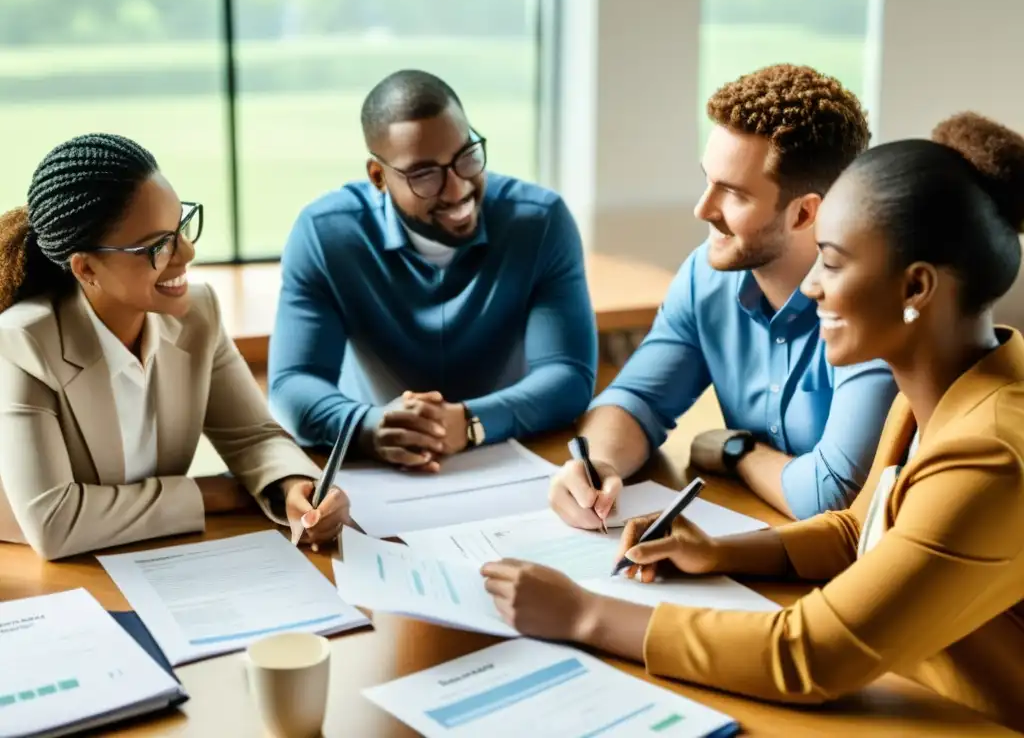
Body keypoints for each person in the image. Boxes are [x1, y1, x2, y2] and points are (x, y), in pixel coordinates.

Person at [480, 111, 1024, 732]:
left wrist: (584, 613)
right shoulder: (936, 388)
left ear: (917, 288)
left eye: (834, 263)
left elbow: (812, 655)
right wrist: (719, 552)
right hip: (911, 698)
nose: (812, 286)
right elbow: (860, 534)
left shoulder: (992, 452)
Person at [549, 64, 898, 522]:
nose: (702, 208)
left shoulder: (871, 304)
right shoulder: (706, 275)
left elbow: (831, 496)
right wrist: (598, 463)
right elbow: (639, 398)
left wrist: (737, 452)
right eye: (706, 180)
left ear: (803, 213)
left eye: (732, 194)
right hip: (760, 533)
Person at [0, 133, 348, 560]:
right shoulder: (23, 342)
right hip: (37, 577)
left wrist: (293, 487)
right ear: (87, 267)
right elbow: (55, 522)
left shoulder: (196, 314)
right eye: (157, 246)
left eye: (180, 227)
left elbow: (253, 436)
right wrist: (214, 494)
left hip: (151, 555)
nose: (187, 252)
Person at [268, 69, 597, 470]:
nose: (458, 189)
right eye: (425, 174)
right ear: (379, 177)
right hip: (381, 471)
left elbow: (568, 376)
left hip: (511, 459)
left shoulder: (541, 221)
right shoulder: (325, 234)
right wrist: (369, 427)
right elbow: (292, 385)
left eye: (467, 157)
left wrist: (472, 422)